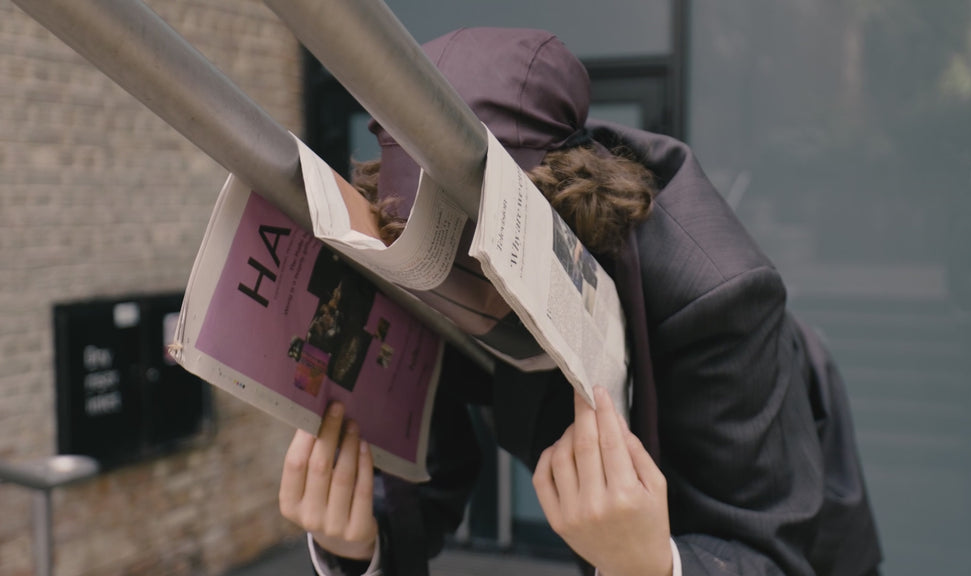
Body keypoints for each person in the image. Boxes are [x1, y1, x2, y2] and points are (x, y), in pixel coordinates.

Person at [278, 27, 883, 576]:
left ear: (562, 208)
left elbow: (769, 548)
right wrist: (360, 542)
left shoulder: (721, 292)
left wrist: (652, 567)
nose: (456, 297)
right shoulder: (428, 268)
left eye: (476, 261)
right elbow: (431, 465)